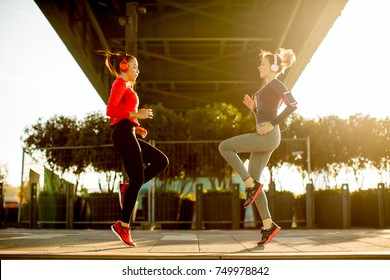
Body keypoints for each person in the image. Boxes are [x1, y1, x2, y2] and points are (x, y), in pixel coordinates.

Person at [218, 48, 297, 246]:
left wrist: (274, 123)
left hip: (269, 135)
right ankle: (269, 225)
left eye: (263, 63)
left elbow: (293, 104)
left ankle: (250, 186)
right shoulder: (266, 87)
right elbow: (264, 114)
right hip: (266, 135)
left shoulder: (276, 83)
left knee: (225, 147)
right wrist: (254, 110)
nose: (259, 66)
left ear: (273, 66)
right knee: (256, 182)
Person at [97, 50, 169, 247]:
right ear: (124, 67)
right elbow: (110, 110)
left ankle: (128, 189)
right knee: (138, 178)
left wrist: (136, 126)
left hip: (128, 132)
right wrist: (136, 114)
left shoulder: (127, 86)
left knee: (161, 161)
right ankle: (123, 225)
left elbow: (122, 115)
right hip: (121, 133)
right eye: (135, 66)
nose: (138, 70)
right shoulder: (120, 83)